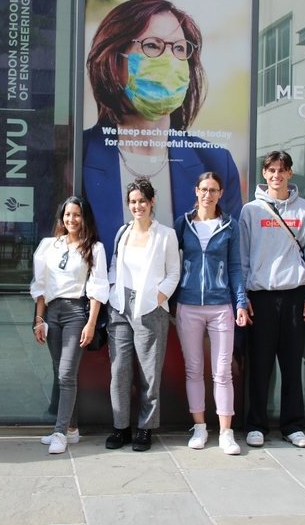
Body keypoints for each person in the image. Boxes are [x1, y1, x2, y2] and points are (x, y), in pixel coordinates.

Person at [83, 0, 242, 259]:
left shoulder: (215, 162)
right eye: (152, 46)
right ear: (114, 59)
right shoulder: (80, 155)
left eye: (179, 49)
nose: (169, 60)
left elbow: (233, 253)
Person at [239, 150, 305, 449]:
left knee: (290, 363)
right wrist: (243, 297)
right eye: (271, 170)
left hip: (294, 296)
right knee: (260, 366)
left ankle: (292, 425)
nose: (276, 175)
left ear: (290, 173)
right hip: (260, 297)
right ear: (264, 173)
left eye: (282, 170)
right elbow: (243, 257)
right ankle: (256, 425)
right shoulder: (251, 211)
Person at [173, 172, 248, 455]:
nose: (208, 194)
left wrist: (240, 303)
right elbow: (171, 263)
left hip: (220, 307)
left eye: (213, 190)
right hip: (188, 306)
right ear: (196, 191)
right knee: (193, 370)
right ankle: (201, 427)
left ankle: (226, 432)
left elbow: (235, 268)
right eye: (203, 189)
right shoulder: (183, 224)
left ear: (220, 193)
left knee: (222, 372)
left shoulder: (231, 226)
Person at [106, 178, 180, 452]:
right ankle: (120, 427)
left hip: (151, 308)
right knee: (119, 370)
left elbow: (174, 272)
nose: (137, 206)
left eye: (142, 201)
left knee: (150, 373)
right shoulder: (122, 232)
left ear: (152, 203)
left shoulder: (166, 235)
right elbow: (114, 264)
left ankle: (145, 429)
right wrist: (114, 292)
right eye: (133, 202)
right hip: (120, 307)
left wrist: (158, 297)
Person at [31, 196, 109, 454]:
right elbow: (41, 286)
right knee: (61, 373)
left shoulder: (94, 248)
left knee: (65, 373)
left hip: (77, 312)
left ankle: (59, 431)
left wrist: (91, 323)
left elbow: (98, 289)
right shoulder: (48, 246)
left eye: (76, 215)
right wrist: (39, 319)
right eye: (67, 215)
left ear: (84, 218)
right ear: (61, 217)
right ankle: (72, 429)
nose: (71, 219)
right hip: (52, 311)